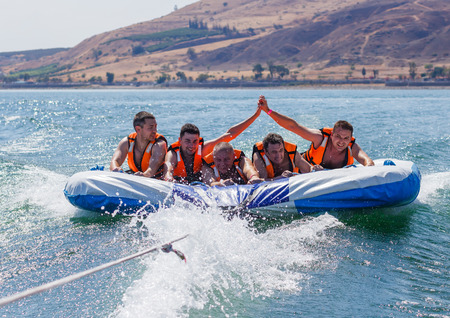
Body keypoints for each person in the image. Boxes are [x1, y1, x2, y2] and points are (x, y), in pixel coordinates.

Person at [257, 95, 374, 169]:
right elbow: (293, 126)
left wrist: (369, 168)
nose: (341, 142)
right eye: (338, 136)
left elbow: (366, 160)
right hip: (304, 171)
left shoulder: (352, 147)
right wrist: (268, 110)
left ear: (350, 138)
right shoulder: (320, 138)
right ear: (332, 135)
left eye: (346, 138)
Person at [163, 108, 262, 183]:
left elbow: (231, 134)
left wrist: (256, 115)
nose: (192, 145)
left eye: (195, 141)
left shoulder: (203, 149)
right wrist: (169, 178)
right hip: (178, 184)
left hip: (200, 185)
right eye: (187, 141)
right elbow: (168, 167)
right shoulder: (173, 154)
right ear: (180, 140)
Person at [110, 111, 167, 178]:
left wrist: (144, 175)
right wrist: (116, 169)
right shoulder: (126, 142)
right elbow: (115, 161)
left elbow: (151, 170)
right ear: (138, 129)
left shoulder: (159, 144)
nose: (155, 130)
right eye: (151, 127)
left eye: (155, 126)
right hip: (136, 177)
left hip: (156, 180)